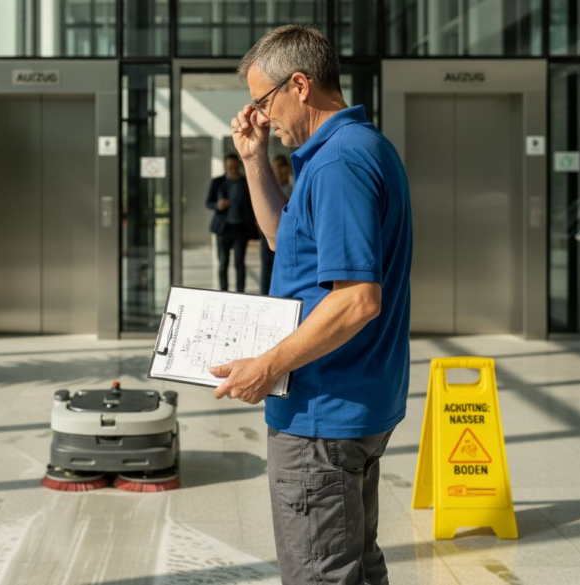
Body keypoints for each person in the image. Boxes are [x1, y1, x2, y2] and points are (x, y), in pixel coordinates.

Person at [208, 25, 412, 585]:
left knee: (322, 573)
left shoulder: (338, 164)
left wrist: (266, 366)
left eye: (263, 101)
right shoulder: (352, 149)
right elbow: (286, 241)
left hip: (323, 411)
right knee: (357, 566)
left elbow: (357, 302)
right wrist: (254, 159)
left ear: (299, 84)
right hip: (354, 400)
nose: (261, 116)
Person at [206, 152, 258, 292]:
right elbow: (208, 202)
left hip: (241, 229)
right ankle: (224, 291)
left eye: (234, 166)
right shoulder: (218, 182)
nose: (232, 169)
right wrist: (218, 205)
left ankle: (240, 292)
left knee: (240, 263)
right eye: (229, 166)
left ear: (238, 166)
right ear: (225, 166)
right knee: (223, 263)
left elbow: (254, 205)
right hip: (223, 228)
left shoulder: (246, 182)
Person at [260, 155, 293, 295]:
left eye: (281, 168)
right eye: (276, 168)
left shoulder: (294, 184)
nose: (279, 172)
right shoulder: (271, 184)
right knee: (267, 266)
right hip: (271, 229)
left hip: (287, 231)